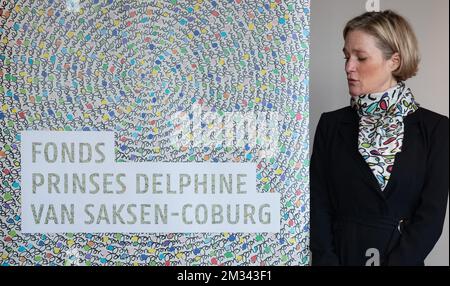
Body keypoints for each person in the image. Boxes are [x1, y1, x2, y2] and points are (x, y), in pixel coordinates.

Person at [310, 10, 449, 266]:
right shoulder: (331, 125)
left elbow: (430, 218)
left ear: (394, 61)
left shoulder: (436, 129)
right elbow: (318, 206)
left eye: (360, 57)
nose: (349, 67)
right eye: (346, 57)